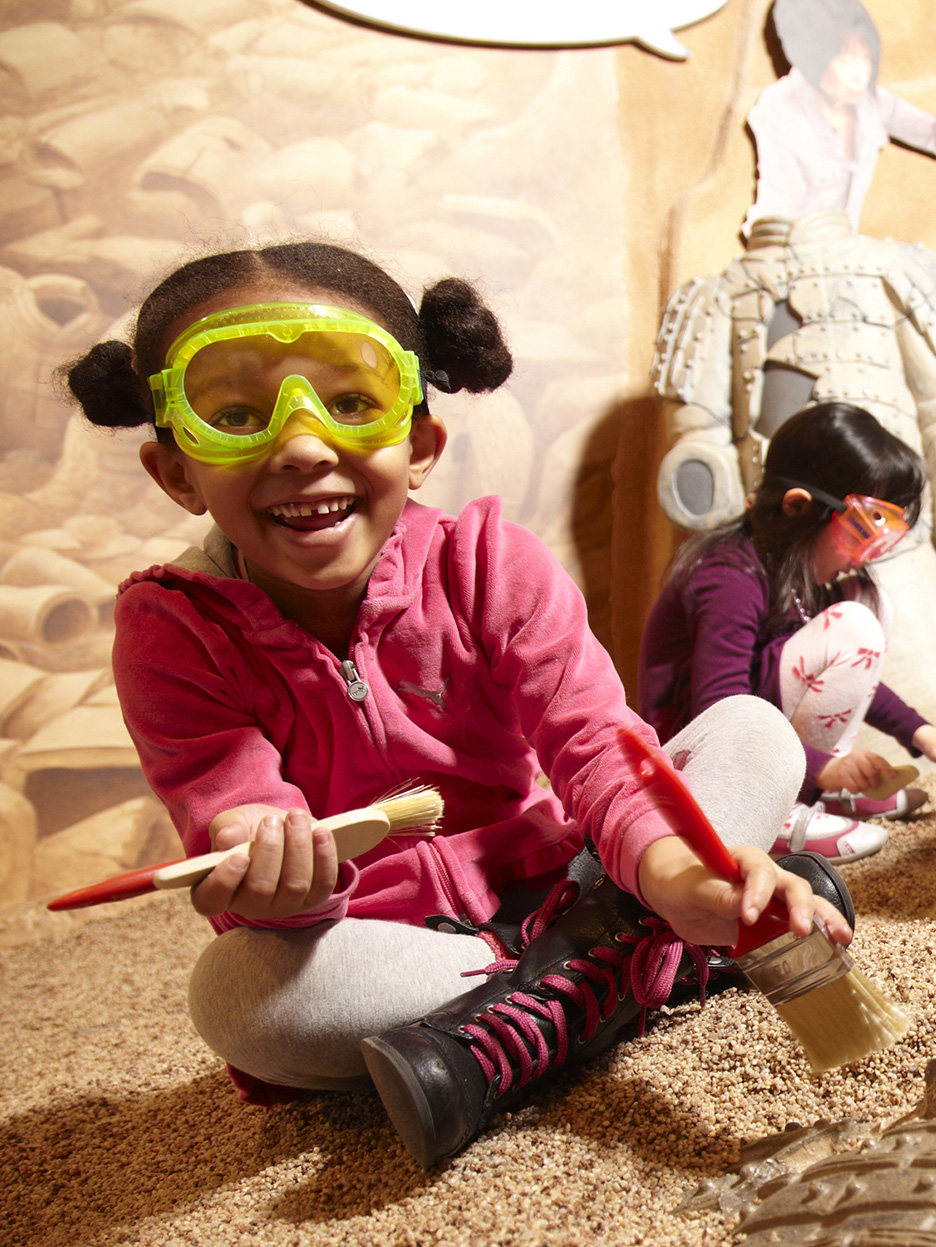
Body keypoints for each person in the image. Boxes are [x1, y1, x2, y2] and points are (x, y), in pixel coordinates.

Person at [63, 241, 852, 1170]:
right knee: (238, 998)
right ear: (178, 472)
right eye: (235, 415)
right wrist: (270, 870)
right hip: (400, 944)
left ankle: (550, 1000)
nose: (303, 445)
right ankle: (628, 962)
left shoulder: (492, 561)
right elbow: (229, 804)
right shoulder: (171, 627)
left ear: (422, 447)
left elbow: (598, 746)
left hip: (571, 868)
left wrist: (681, 874)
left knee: (754, 730)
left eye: (352, 404)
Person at [639, 401, 936, 865]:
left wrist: (920, 731)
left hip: (756, 733)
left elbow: (846, 672)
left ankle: (814, 789)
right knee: (854, 623)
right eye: (859, 531)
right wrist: (827, 767)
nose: (866, 553)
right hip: (698, 761)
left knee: (868, 602)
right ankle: (773, 811)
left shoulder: (797, 575)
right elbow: (720, 712)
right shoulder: (728, 576)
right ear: (798, 507)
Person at [742, 0, 936, 238]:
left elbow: (928, 132)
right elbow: (786, 208)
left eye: (865, 57)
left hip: (843, 256)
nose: (861, 74)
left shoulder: (868, 101)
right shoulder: (778, 109)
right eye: (846, 60)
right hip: (784, 250)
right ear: (813, 58)